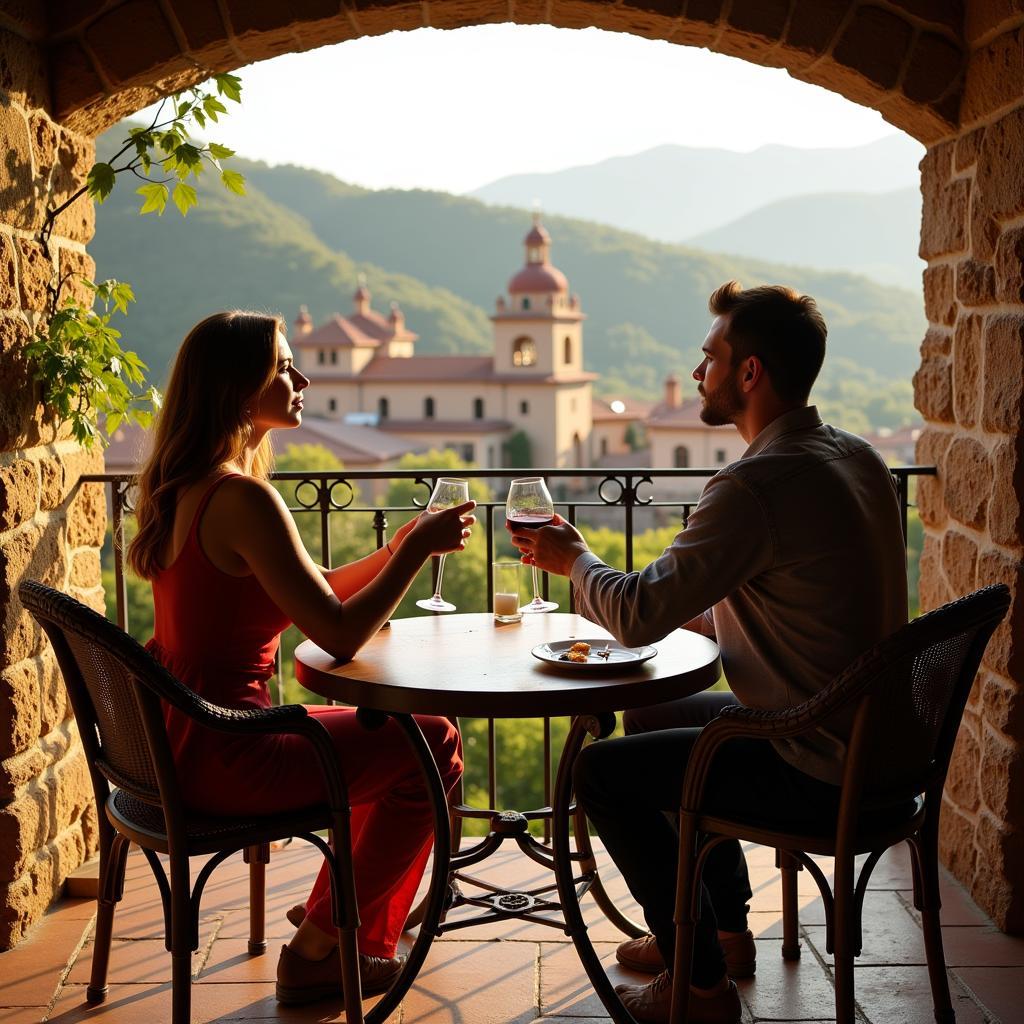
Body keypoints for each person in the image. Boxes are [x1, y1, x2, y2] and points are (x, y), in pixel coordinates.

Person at [508, 281, 908, 1023]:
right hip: (882, 749)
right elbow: (802, 594)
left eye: (710, 357)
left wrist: (575, 560)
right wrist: (714, 616)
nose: (698, 374)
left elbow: (633, 615)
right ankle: (719, 934)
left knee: (602, 775)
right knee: (656, 707)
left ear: (749, 373)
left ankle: (698, 990)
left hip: (815, 762)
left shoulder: (756, 483)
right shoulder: (853, 456)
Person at [128, 311, 475, 1005]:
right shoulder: (243, 498)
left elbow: (310, 596)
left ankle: (339, 916)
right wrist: (414, 552)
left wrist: (391, 547)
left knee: (392, 728)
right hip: (233, 753)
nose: (302, 377)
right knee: (431, 742)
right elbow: (340, 634)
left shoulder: (191, 489)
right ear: (238, 387)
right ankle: (320, 947)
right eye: (283, 366)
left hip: (183, 740)